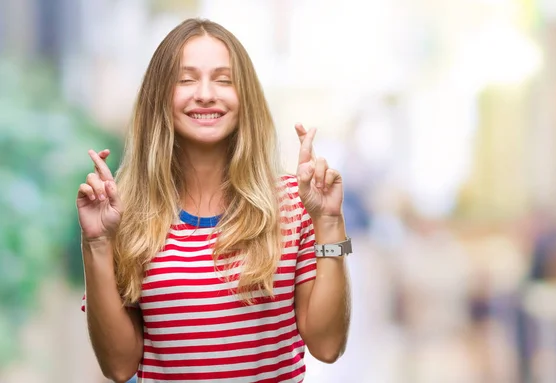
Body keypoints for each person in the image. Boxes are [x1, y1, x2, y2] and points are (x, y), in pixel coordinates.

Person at [77, 18, 351, 383]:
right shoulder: (125, 213)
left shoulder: (293, 204)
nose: (205, 94)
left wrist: (329, 221)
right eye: (186, 79)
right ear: (160, 95)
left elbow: (328, 346)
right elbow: (118, 366)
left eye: (224, 79)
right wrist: (97, 242)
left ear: (245, 97)